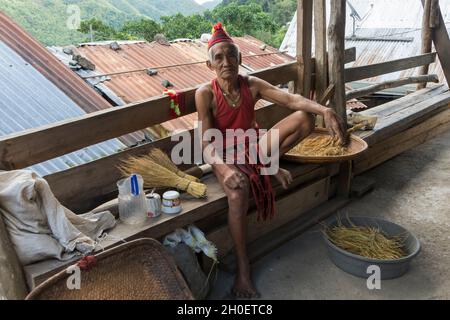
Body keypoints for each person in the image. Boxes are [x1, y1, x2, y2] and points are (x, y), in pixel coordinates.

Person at [195, 22, 347, 298]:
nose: (226, 61)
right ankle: (244, 269)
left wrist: (324, 109)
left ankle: (265, 164)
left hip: (254, 148)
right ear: (210, 65)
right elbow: (206, 143)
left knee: (304, 118)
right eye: (219, 57)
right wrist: (225, 170)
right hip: (225, 154)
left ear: (240, 59)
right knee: (238, 192)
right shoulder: (205, 94)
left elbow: (290, 100)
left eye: (231, 55)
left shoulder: (250, 84)